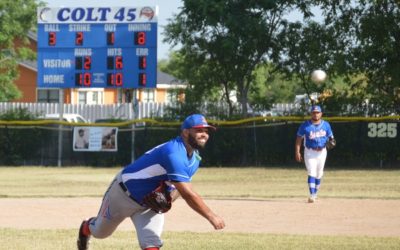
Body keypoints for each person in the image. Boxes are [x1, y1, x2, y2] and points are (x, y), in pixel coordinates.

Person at [77, 114, 225, 250]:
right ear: (186, 132)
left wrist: (167, 200)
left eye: (206, 131)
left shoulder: (194, 159)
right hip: (122, 195)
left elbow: (179, 188)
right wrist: (211, 216)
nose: (204, 134)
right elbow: (188, 194)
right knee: (100, 232)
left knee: (151, 243)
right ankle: (85, 227)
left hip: (148, 205)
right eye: (199, 130)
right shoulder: (174, 152)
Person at [294, 105, 334, 203]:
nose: (315, 114)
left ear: (321, 114)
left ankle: (315, 193)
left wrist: (332, 142)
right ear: (311, 114)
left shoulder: (326, 125)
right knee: (312, 172)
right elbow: (299, 139)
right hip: (310, 152)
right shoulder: (305, 125)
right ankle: (312, 194)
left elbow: (332, 139)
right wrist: (297, 151)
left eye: (317, 112)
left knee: (319, 174)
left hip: (322, 152)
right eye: (314, 112)